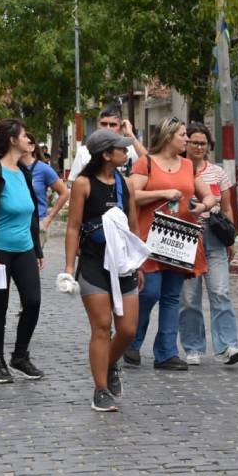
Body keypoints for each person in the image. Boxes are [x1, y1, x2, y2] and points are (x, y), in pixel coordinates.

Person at [124, 117, 216, 371]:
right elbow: (131, 194)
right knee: (149, 292)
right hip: (149, 239)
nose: (186, 139)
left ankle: (166, 352)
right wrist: (161, 194)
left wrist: (203, 206)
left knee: (172, 297)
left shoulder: (188, 165)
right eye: (183, 135)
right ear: (168, 137)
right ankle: (130, 341)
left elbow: (208, 194)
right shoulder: (147, 163)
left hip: (179, 237)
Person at [65, 129, 145, 412]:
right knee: (101, 328)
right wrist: (68, 267)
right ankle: (100, 389)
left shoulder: (125, 184)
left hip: (123, 265)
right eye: (121, 149)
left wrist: (138, 264)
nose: (127, 153)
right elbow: (73, 226)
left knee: (127, 330)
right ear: (106, 155)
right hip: (93, 265)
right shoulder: (83, 184)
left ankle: (110, 365)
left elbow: (133, 227)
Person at [0, 119, 45, 383]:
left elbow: (32, 213)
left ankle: (20, 356)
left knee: (33, 302)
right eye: (25, 136)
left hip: (24, 249)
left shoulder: (23, 172)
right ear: (13, 141)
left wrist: (37, 250)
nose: (29, 140)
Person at [179, 122, 238, 366]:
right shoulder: (177, 170)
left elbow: (226, 207)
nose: (198, 147)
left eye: (203, 143)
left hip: (214, 236)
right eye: (194, 142)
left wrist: (231, 239)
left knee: (220, 291)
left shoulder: (217, 173)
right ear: (185, 144)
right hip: (186, 236)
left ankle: (228, 345)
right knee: (189, 297)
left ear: (208, 146)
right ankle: (193, 346)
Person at [67, 106, 147, 182]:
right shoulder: (84, 151)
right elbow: (73, 183)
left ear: (121, 127)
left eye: (113, 125)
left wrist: (130, 134)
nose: (108, 128)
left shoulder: (130, 149)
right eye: (104, 124)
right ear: (98, 124)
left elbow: (151, 164)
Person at [22, 133, 69, 247]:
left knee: (33, 262)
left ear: (32, 147)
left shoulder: (43, 169)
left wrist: (49, 218)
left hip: (37, 222)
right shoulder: (12, 167)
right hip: (15, 223)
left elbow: (64, 193)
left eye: (25, 141)